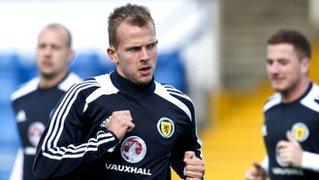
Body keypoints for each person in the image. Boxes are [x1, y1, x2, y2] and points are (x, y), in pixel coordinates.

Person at [33, 3, 205, 180]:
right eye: (134, 49)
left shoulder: (180, 105)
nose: (145, 56)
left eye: (151, 46)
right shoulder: (85, 95)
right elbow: (44, 164)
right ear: (113, 54)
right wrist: (108, 138)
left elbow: (187, 160)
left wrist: (192, 171)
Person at [10, 23, 82, 180]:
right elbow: (25, 149)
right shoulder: (20, 96)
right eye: (42, 46)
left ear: (70, 54)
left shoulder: (83, 96)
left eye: (55, 47)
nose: (47, 53)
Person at [245, 29, 319, 180]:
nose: (274, 70)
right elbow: (276, 153)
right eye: (270, 62)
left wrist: (304, 159)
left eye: (283, 62)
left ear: (304, 65)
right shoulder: (270, 106)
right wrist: (265, 170)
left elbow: (299, 156)